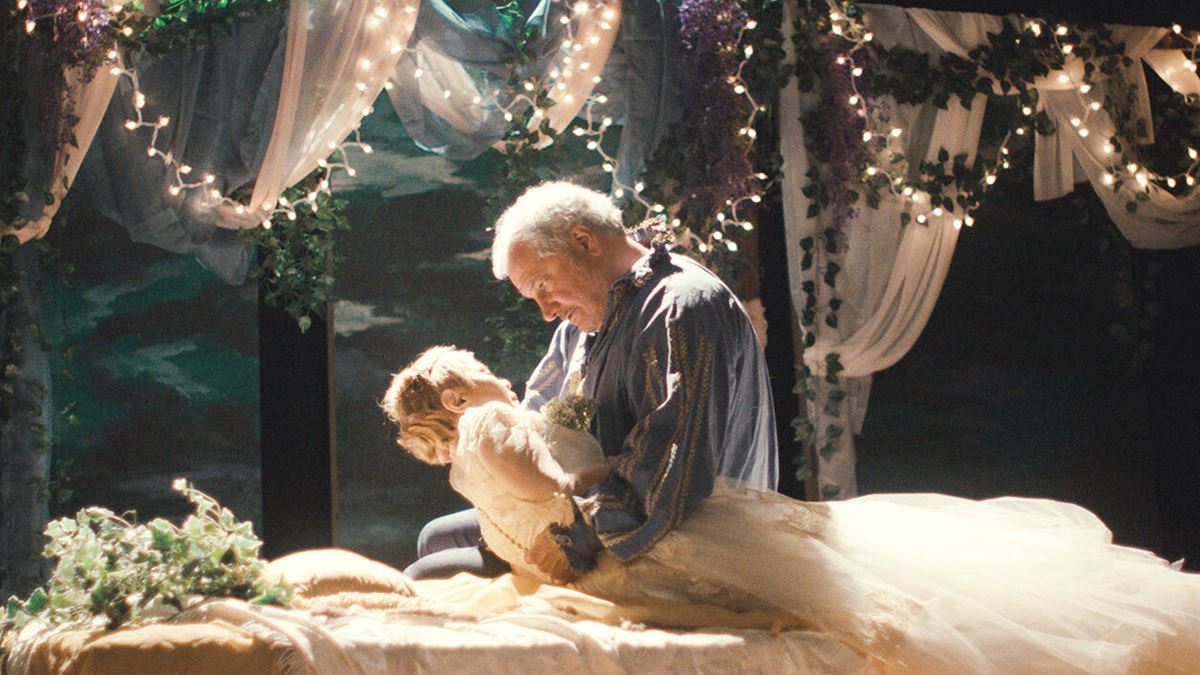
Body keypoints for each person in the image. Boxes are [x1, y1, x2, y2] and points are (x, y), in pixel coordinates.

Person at [383, 345, 1200, 673]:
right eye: (475, 364)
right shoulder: (488, 423)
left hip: (603, 569)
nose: (490, 369)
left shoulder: (463, 471)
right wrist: (620, 465)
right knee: (848, 563)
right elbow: (562, 484)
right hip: (638, 543)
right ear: (456, 396)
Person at [404, 181, 778, 580]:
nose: (546, 312)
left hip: (677, 536)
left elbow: (673, 465)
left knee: (425, 575)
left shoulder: (680, 308)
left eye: (543, 285)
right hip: (594, 500)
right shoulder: (582, 324)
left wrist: (578, 533)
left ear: (585, 242)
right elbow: (537, 420)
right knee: (437, 538)